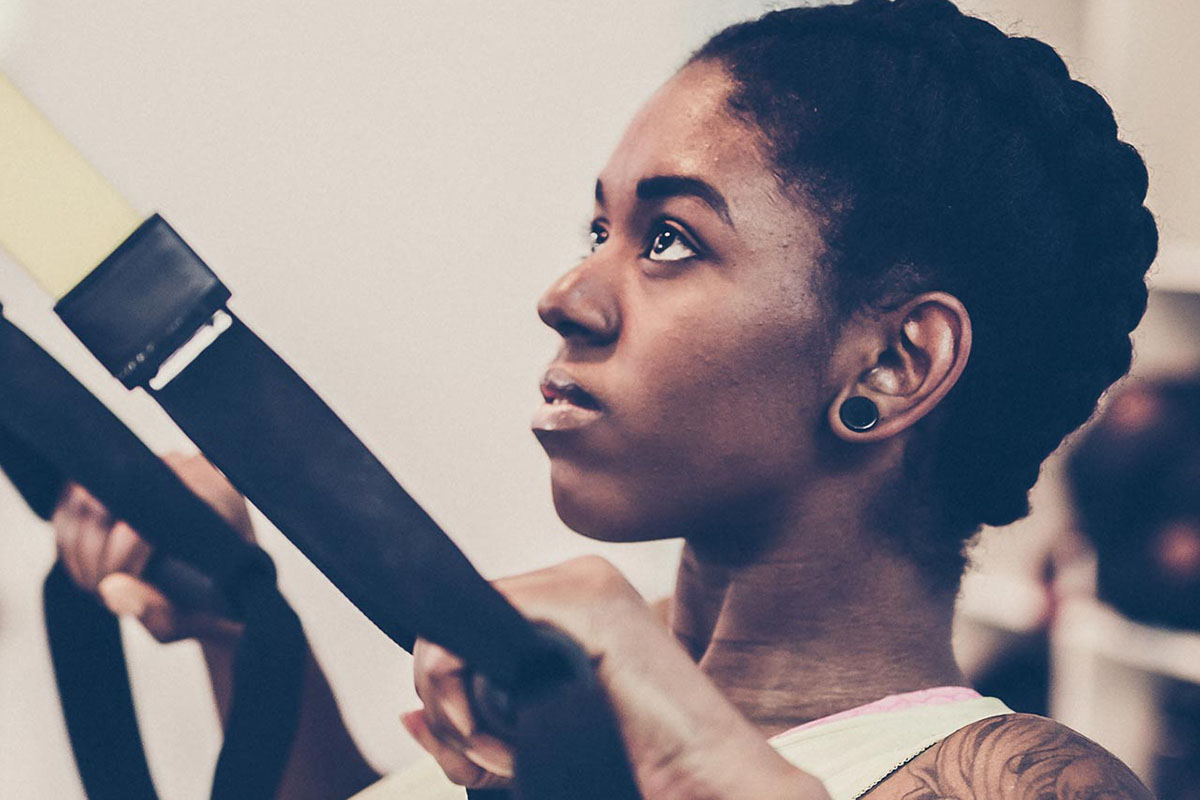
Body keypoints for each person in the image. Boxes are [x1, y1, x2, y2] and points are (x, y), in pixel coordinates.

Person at [51, 0, 1158, 797]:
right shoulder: (562, 718)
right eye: (600, 229)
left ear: (893, 364)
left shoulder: (1024, 781)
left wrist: (691, 758)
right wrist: (248, 624)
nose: (567, 293)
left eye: (670, 239)